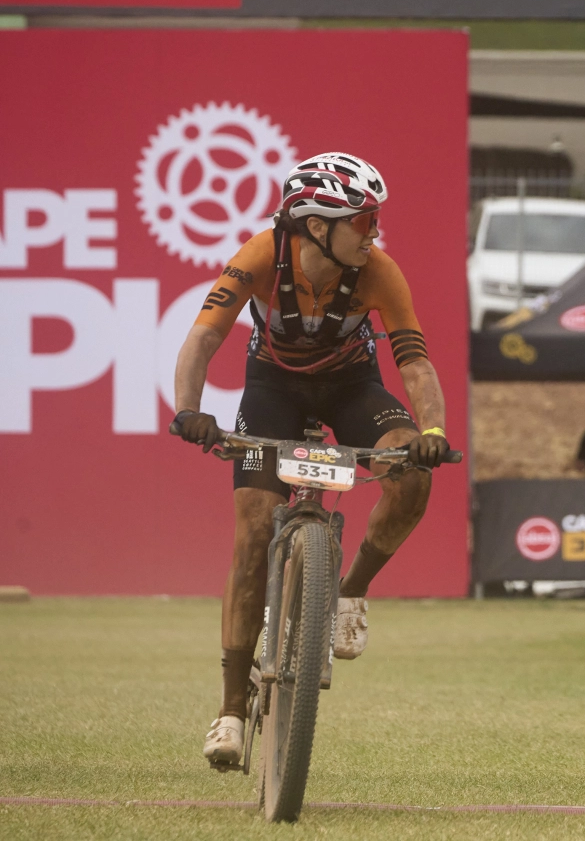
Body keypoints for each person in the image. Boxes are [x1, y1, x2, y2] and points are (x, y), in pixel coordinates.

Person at [169, 153, 451, 770]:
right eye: (364, 220)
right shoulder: (260, 255)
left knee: (412, 477)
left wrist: (431, 431)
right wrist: (189, 409)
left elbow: (414, 362)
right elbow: (203, 337)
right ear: (318, 224)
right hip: (272, 389)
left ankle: (350, 592)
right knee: (253, 533)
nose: (374, 231)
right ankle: (231, 710)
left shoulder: (379, 269)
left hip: (352, 388)